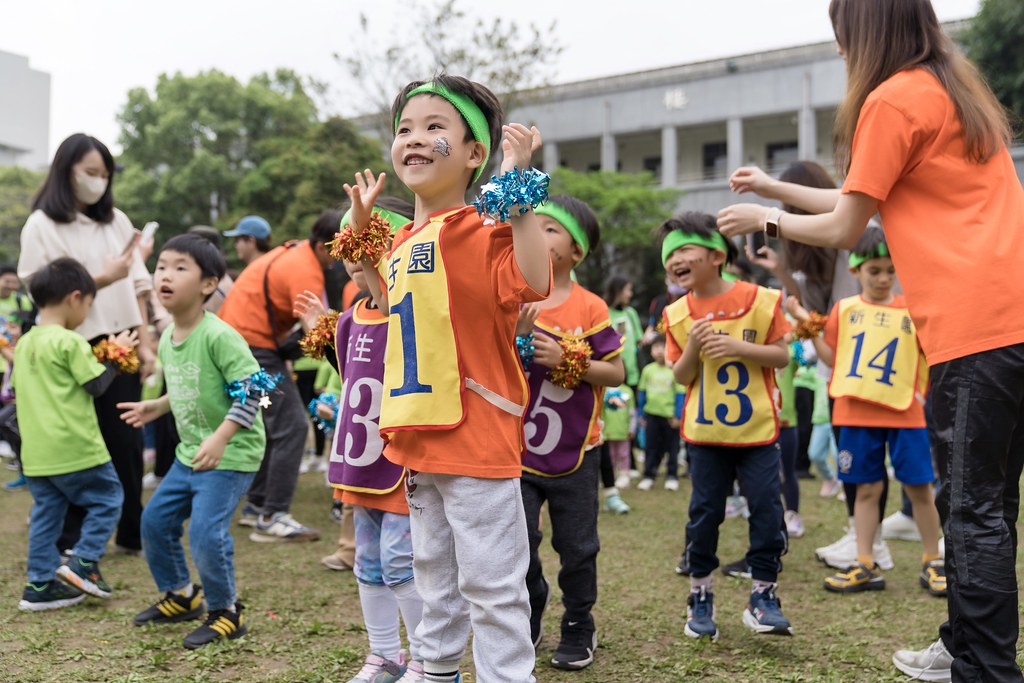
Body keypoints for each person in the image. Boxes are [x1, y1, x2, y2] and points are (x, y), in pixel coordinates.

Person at [717, 1, 1024, 678]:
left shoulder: (892, 98)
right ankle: (966, 643)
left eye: (841, 35)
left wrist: (768, 217)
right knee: (988, 506)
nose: (838, 51)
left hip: (975, 331)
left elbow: (847, 227)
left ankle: (986, 666)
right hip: (1010, 322)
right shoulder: (954, 89)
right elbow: (870, 195)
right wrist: (774, 187)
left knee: (971, 511)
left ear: (866, 31)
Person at [344, 75, 551, 683]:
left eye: (436, 127)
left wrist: (517, 181)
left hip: (477, 432)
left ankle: (506, 675)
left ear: (473, 154)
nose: (414, 139)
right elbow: (376, 291)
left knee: (491, 579)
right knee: (431, 568)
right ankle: (434, 668)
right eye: (404, 128)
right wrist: (360, 227)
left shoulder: (485, 229)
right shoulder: (402, 239)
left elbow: (534, 278)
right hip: (416, 434)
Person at [119, 234, 269, 649]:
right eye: (161, 266)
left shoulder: (219, 335)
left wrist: (222, 438)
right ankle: (182, 596)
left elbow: (253, 389)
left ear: (208, 284)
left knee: (205, 533)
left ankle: (227, 613)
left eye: (179, 267)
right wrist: (158, 406)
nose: (165, 274)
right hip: (191, 455)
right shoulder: (168, 338)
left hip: (231, 454)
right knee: (155, 523)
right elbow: (192, 387)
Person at [297, 206, 424, 680]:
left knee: (399, 560)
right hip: (360, 458)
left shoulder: (408, 308)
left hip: (399, 458)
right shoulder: (350, 318)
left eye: (368, 241)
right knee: (368, 562)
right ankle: (385, 655)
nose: (354, 252)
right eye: (348, 243)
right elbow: (354, 376)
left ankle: (428, 661)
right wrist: (325, 334)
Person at [19, 133, 155, 556]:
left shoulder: (116, 220)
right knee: (77, 442)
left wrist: (146, 343)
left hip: (121, 340)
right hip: (69, 344)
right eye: (90, 172)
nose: (98, 182)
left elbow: (138, 287)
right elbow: (40, 290)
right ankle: (71, 539)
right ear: (66, 171)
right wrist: (100, 278)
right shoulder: (41, 224)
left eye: (104, 174)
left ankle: (132, 532)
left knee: (126, 442)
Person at [788, 228, 943, 596]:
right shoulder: (845, 309)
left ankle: (933, 559)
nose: (884, 277)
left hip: (906, 412)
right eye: (874, 270)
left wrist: (923, 395)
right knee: (866, 489)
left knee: (921, 487)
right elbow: (833, 358)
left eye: (890, 270)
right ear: (857, 271)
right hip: (855, 411)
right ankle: (865, 561)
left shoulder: (913, 309)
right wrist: (804, 324)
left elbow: (930, 358)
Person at [661, 212, 793, 641]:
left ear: (717, 255)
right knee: (704, 515)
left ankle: (763, 595)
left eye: (684, 249)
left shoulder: (760, 299)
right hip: (704, 436)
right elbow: (681, 376)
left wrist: (738, 346)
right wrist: (695, 347)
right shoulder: (677, 314)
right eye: (669, 255)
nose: (675, 260)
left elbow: (782, 355)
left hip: (756, 432)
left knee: (769, 512)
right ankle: (700, 595)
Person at [514, 195, 624, 671]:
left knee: (577, 547)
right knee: (518, 543)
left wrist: (569, 363)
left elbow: (616, 374)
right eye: (531, 224)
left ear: (576, 250)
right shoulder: (514, 296)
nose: (536, 232)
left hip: (578, 452)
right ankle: (531, 607)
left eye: (550, 228)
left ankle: (579, 621)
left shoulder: (590, 305)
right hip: (516, 451)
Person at [14, 257, 136, 611]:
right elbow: (97, 385)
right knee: (109, 497)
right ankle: (84, 562)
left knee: (46, 514)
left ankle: (39, 585)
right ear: (75, 297)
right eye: (89, 304)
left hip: (37, 454)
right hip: (75, 447)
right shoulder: (70, 342)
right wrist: (116, 357)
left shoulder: (25, 344)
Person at [218, 211, 341, 542]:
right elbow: (315, 332)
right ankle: (272, 516)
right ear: (323, 244)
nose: (340, 258)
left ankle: (256, 507)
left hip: (241, 345)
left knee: (272, 426)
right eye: (339, 248)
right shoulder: (306, 270)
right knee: (292, 426)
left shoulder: (295, 252)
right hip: (252, 350)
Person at [635, 336, 685, 491]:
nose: (659, 351)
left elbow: (680, 395)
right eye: (655, 347)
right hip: (651, 415)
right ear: (651, 351)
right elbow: (642, 393)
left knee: (672, 448)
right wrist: (641, 415)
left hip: (670, 417)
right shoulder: (647, 370)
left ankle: (672, 475)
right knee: (650, 446)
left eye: (663, 347)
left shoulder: (675, 370)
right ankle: (649, 475)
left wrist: (678, 416)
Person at [601, 384, 636, 496]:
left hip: (623, 431)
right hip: (607, 431)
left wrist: (632, 428)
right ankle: (611, 476)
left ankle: (624, 475)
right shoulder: (603, 388)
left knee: (624, 454)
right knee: (610, 455)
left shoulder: (627, 390)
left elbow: (632, 411)